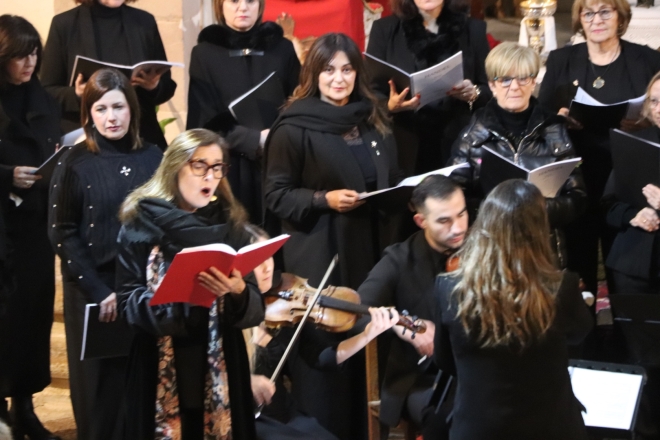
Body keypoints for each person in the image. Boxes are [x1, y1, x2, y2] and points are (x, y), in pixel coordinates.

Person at [264, 33, 401, 439]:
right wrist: (324, 199)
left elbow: (387, 174)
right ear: (313, 74)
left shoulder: (372, 117)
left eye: (346, 69)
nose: (338, 79)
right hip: (322, 252)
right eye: (328, 70)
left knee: (367, 347)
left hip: (369, 249)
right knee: (326, 358)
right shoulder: (293, 126)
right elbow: (276, 195)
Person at [115, 128, 264, 439]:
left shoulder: (230, 224)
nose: (210, 176)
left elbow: (254, 306)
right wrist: (175, 294)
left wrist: (238, 292)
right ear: (175, 167)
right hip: (159, 359)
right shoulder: (141, 222)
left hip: (222, 359)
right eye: (199, 165)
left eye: (217, 167)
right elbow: (127, 302)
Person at [48, 68, 163, 440]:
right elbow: (62, 231)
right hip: (96, 293)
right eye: (101, 109)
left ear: (132, 109)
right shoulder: (74, 161)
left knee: (142, 390)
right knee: (102, 398)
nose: (111, 117)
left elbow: (167, 220)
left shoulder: (153, 157)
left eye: (118, 107)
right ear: (88, 114)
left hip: (141, 293)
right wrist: (100, 292)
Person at [434, 179, 593, 440]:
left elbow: (444, 360)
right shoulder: (562, 287)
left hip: (478, 430)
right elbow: (579, 334)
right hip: (550, 429)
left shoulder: (448, 287)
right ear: (539, 229)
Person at [538, 0, 660, 293]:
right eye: (588, 12)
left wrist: (645, 120)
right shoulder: (562, 60)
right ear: (579, 18)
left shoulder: (645, 59)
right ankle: (584, 319)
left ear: (620, 16)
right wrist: (559, 119)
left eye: (605, 11)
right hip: (577, 177)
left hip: (629, 179)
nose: (596, 19)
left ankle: (624, 319)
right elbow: (541, 118)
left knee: (624, 266)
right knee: (578, 266)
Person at [244, 226, 400, 440]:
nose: (267, 268)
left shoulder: (284, 310)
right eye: (258, 261)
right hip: (249, 420)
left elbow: (322, 357)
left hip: (285, 415)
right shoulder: (226, 316)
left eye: (269, 257)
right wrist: (248, 380)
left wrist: (367, 335)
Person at [448, 42, 586, 267]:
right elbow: (455, 196)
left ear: (533, 82)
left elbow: (577, 197)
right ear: (492, 85)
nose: (514, 87)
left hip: (542, 251)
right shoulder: (473, 133)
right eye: (505, 79)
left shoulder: (554, 129)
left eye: (523, 78)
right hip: (489, 250)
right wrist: (498, 210)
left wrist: (537, 210)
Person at [357, 175, 467, 438]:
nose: (458, 228)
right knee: (451, 414)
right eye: (444, 221)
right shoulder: (398, 259)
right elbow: (357, 311)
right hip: (421, 378)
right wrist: (401, 324)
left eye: (462, 215)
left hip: (474, 369)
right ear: (421, 221)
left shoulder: (481, 248)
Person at [0, 15, 62, 440]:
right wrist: (7, 175)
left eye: (34, 53)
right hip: (2, 228)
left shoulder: (41, 96)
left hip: (35, 227)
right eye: (20, 55)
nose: (30, 63)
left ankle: (25, 407)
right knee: (4, 319)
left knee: (33, 316)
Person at [187, 0, 300, 223]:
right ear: (220, 5)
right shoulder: (204, 54)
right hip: (229, 167)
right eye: (234, 1)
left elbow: (300, 104)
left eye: (250, 1)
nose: (243, 7)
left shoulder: (282, 49)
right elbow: (201, 122)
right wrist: (255, 139)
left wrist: (276, 136)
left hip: (277, 163)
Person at [366, 0, 491, 174]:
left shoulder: (473, 29)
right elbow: (369, 91)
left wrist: (474, 93)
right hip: (403, 141)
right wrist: (389, 105)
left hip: (457, 141)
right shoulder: (385, 29)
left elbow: (491, 89)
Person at [601, 73, 660, 440]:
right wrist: (633, 215)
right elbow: (608, 205)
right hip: (634, 265)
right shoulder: (635, 144)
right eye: (655, 100)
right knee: (642, 358)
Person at [40, 0, 177, 150]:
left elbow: (167, 87)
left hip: (139, 138)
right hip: (87, 141)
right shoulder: (64, 24)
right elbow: (46, 93)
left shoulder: (144, 21)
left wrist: (153, 87)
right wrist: (77, 94)